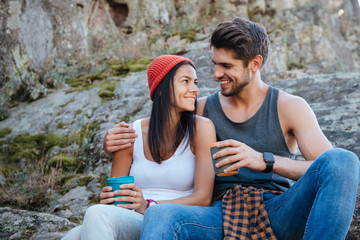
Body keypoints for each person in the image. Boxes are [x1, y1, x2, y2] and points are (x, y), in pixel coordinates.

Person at [103, 18, 360, 240]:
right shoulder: (201, 109)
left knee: (344, 159)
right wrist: (113, 140)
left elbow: (325, 166)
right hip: (217, 213)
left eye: (226, 66)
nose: (216, 73)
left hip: (279, 210)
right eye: (215, 63)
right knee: (160, 213)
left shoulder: (289, 107)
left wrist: (264, 160)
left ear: (255, 63)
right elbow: (157, 126)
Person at [62, 55, 216, 240]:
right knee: (74, 235)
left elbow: (203, 198)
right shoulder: (130, 134)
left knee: (95, 216)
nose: (194, 89)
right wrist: (111, 200)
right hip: (132, 218)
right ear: (161, 89)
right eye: (185, 81)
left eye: (195, 82)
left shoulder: (202, 128)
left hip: (171, 220)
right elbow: (117, 198)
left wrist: (149, 205)